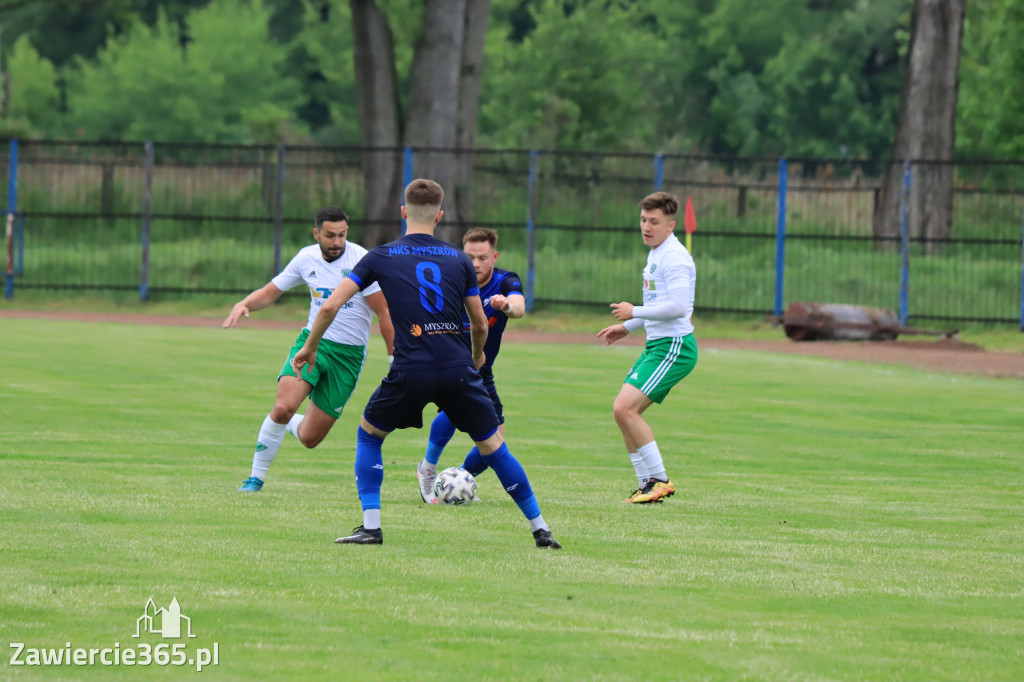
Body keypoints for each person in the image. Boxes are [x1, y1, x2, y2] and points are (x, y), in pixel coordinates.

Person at [292, 179, 560, 549]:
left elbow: (329, 306)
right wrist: (477, 355)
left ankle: (371, 527)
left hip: (411, 368)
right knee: (494, 448)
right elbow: (479, 322)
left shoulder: (380, 256)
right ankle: (540, 528)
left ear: (404, 212)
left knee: (369, 435)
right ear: (440, 215)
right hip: (456, 368)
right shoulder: (459, 260)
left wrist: (309, 347)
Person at [223, 206, 394, 492]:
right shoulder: (306, 258)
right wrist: (245, 304)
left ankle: (289, 425)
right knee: (283, 407)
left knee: (310, 438)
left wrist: (393, 358)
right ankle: (255, 479)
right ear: (317, 234)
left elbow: (384, 312)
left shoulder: (362, 260)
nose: (337, 241)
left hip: (349, 357)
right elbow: (271, 292)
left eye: (342, 234)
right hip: (312, 343)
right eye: (330, 235)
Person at [597, 191, 698, 504]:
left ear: (670, 226)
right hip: (657, 345)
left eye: (654, 222)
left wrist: (634, 312)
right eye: (643, 220)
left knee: (624, 409)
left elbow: (679, 307)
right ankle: (646, 484)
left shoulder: (675, 258)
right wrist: (627, 326)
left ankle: (660, 480)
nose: (647, 227)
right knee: (622, 411)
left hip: (674, 347)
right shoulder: (656, 253)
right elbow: (659, 304)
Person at [414, 227, 525, 504]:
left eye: (483, 257)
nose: (476, 264)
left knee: (495, 439)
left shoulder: (505, 281)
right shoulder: (450, 278)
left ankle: (455, 479)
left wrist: (506, 306)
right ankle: (432, 470)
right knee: (461, 412)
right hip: (450, 362)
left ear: (494, 256)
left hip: (480, 368)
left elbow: (519, 307)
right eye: (470, 256)